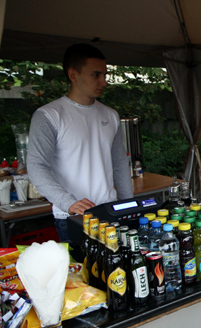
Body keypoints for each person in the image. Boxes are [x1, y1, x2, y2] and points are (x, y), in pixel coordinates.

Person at [27, 43, 133, 242]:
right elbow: (36, 165)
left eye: (105, 75)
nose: (103, 81)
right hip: (73, 217)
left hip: (109, 212)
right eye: (95, 75)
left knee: (116, 271)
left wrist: (129, 205)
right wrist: (68, 203)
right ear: (73, 75)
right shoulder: (49, 115)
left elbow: (119, 162)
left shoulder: (110, 115)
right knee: (81, 273)